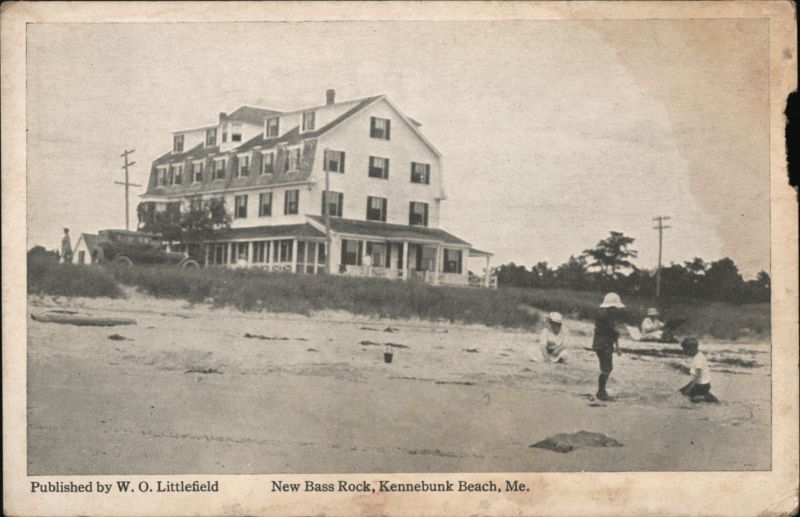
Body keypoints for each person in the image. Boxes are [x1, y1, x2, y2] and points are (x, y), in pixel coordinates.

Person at [592, 292, 624, 401]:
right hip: (603, 345)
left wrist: (617, 346)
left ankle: (601, 391)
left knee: (606, 368)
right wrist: (617, 346)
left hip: (601, 344)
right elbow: (613, 332)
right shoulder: (606, 317)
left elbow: (613, 333)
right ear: (612, 307)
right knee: (606, 368)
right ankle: (601, 392)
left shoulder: (605, 316)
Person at [679, 337, 720, 403]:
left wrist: (688, 390)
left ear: (691, 349)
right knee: (681, 393)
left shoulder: (698, 359)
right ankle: (705, 395)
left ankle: (705, 397)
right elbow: (694, 373)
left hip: (701, 385)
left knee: (690, 397)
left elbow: (696, 378)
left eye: (685, 350)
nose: (684, 352)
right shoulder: (698, 355)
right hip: (702, 383)